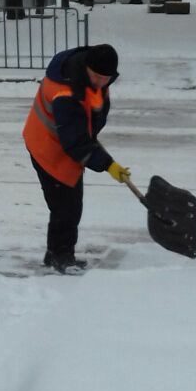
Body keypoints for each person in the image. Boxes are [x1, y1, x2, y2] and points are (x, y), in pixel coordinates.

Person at [22, 44, 130, 273]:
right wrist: (107, 164)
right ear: (86, 68)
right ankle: (60, 257)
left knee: (70, 205)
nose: (102, 83)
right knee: (66, 207)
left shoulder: (93, 81)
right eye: (97, 77)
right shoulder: (66, 93)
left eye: (106, 78)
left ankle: (57, 253)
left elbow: (86, 126)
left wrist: (95, 147)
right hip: (47, 147)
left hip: (67, 143)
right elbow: (74, 140)